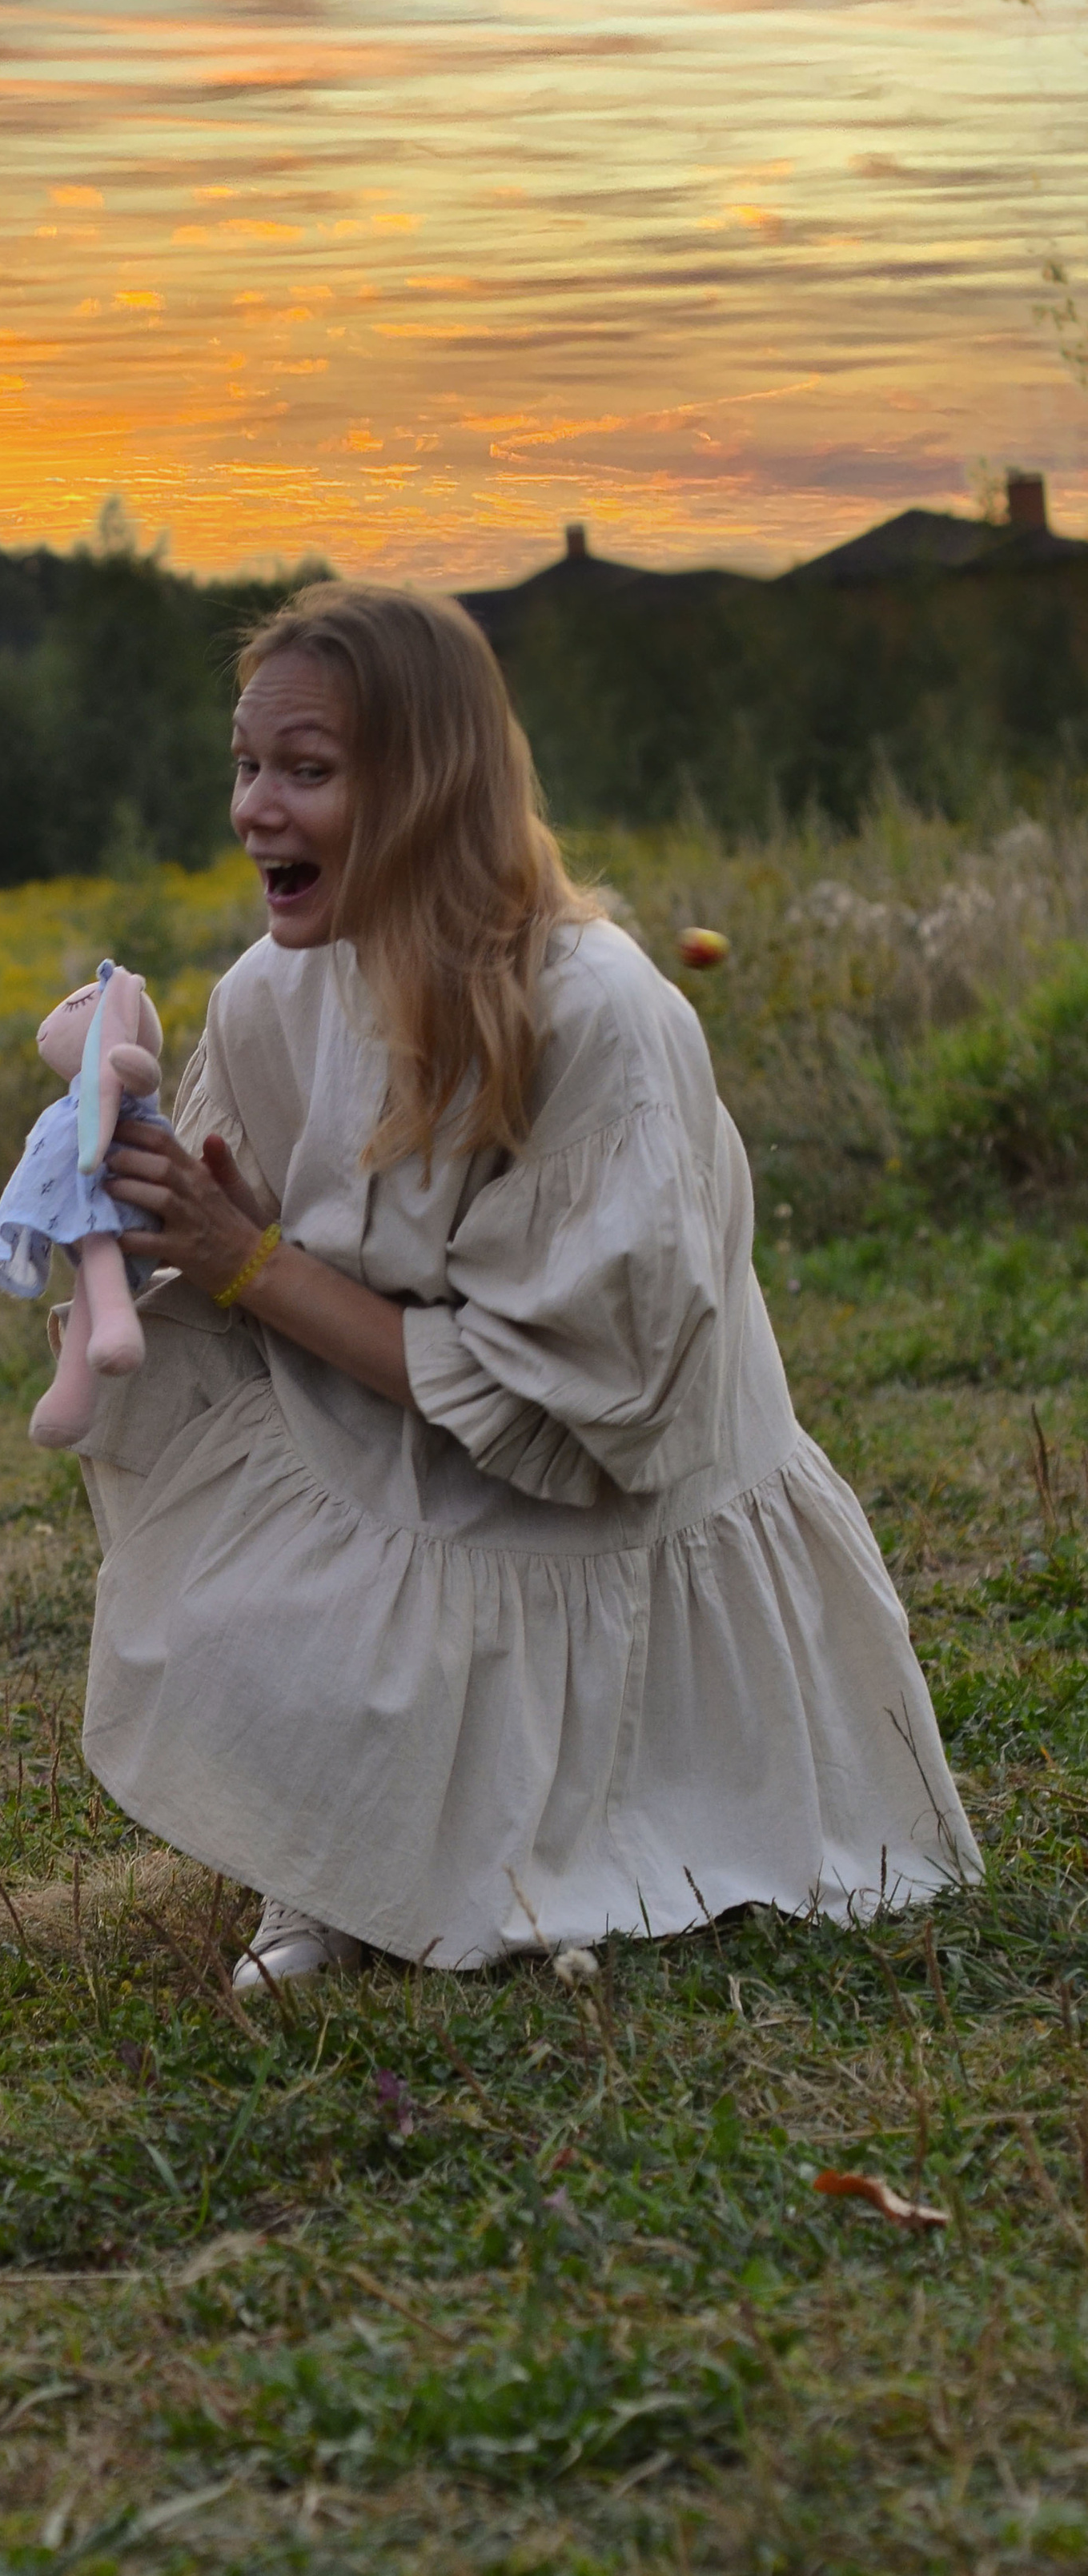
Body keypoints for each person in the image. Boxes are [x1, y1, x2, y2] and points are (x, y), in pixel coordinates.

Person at [84, 582, 977, 1989]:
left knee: (569, 1841)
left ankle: (532, 1833)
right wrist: (161, 1210)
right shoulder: (268, 994)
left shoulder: (598, 1013)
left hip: (594, 1481)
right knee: (244, 1577)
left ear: (432, 784)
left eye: (307, 772)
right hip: (399, 1441)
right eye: (247, 764)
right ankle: (340, 1852)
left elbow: (584, 1407)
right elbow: (234, 1285)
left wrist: (254, 1261)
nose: (257, 807)